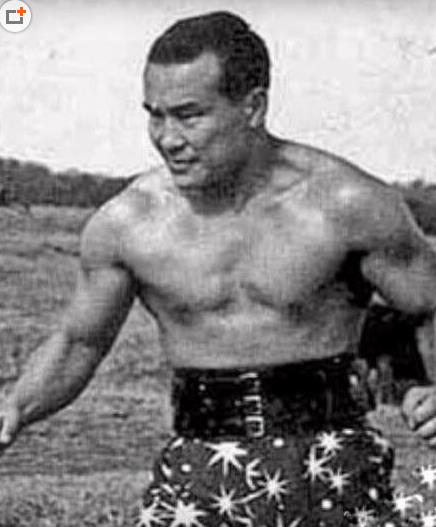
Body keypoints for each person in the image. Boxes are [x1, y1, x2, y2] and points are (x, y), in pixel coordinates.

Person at [1, 11, 436, 526]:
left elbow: (429, 303)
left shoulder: (346, 205)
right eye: (155, 116)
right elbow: (80, 341)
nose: (168, 138)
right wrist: (14, 410)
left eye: (189, 115)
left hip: (332, 464)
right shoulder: (128, 223)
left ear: (253, 107)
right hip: (199, 469)